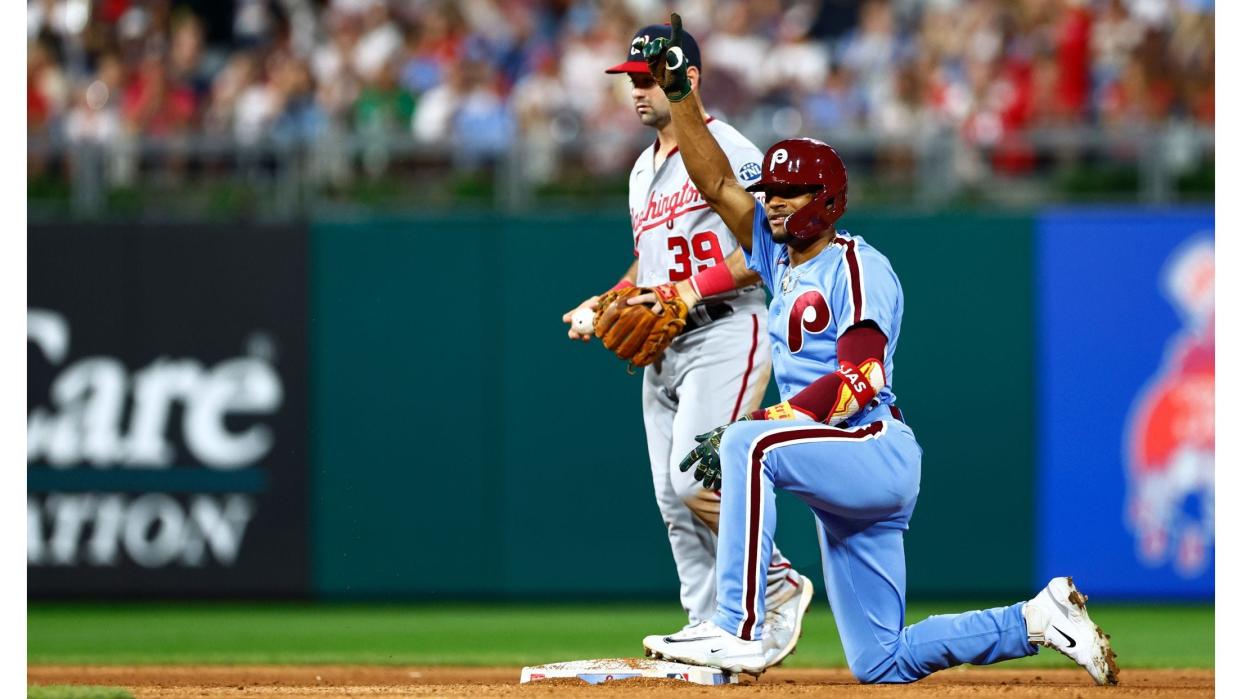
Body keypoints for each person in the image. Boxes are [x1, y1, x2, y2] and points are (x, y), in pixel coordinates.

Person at [638, 15, 1120, 685]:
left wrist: (767, 423)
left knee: (747, 441)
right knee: (881, 660)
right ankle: (1038, 619)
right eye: (770, 192)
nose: (773, 203)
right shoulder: (779, 262)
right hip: (839, 465)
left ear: (827, 197)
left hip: (871, 446)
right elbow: (718, 182)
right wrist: (680, 90)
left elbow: (860, 379)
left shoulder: (856, 265)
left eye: (788, 191)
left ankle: (740, 625)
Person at [560, 23, 813, 668]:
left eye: (647, 79)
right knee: (675, 502)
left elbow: (770, 242)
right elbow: (647, 267)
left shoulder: (726, 145)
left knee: (696, 477)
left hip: (729, 325)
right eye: (632, 81)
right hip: (668, 347)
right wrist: (608, 298)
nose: (637, 91)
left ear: (686, 77)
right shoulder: (641, 170)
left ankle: (777, 586)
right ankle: (706, 631)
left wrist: (689, 293)